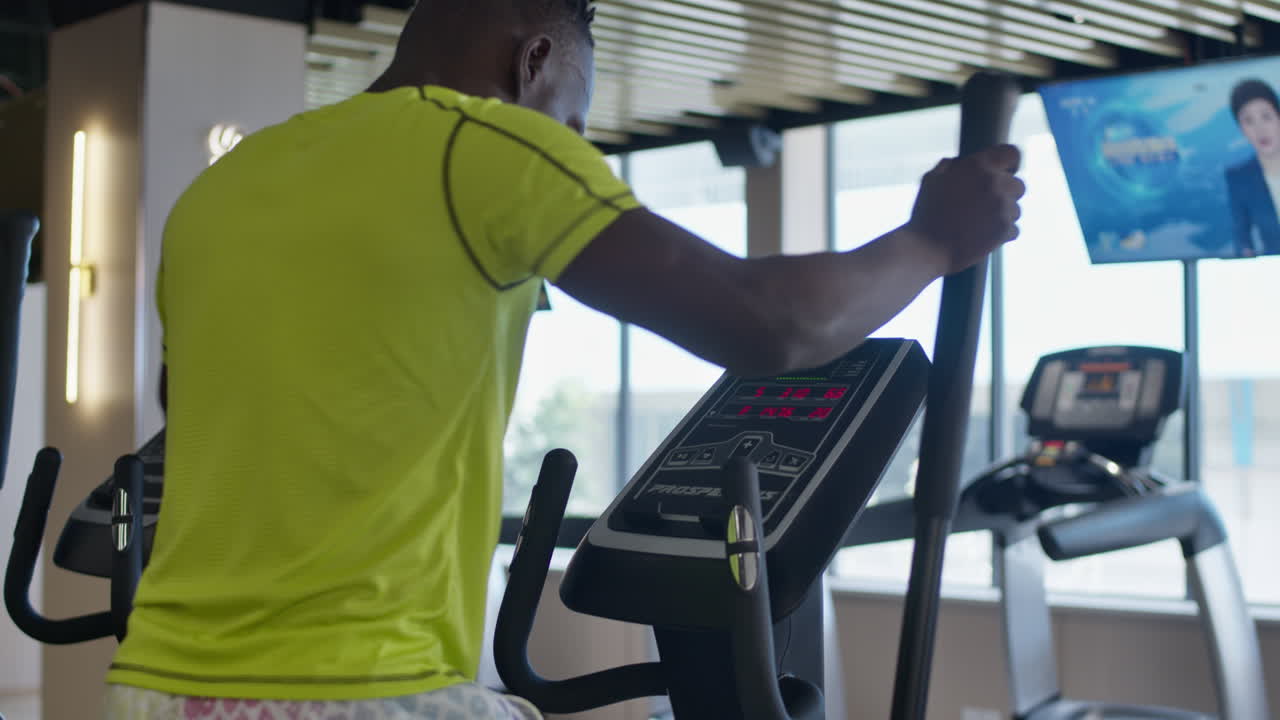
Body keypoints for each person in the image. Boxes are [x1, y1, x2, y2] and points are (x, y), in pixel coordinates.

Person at [104, 1, 1025, 718]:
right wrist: (934, 240)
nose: (567, 144)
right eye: (573, 124)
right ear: (532, 60)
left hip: (151, 684)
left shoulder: (224, 189)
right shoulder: (482, 141)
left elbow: (189, 400)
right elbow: (768, 323)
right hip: (355, 687)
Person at [1226, 78, 1280, 257]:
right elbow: (1241, 237)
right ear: (1241, 128)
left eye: (1266, 117)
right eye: (1248, 121)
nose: (1260, 129)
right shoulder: (1239, 177)